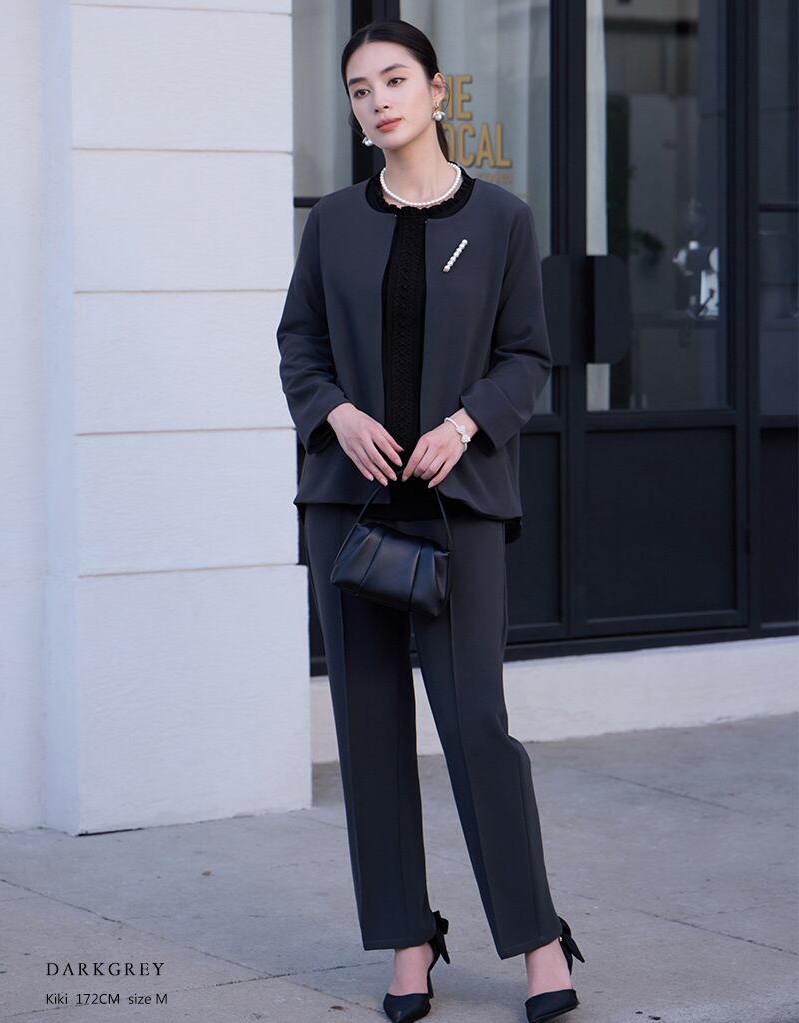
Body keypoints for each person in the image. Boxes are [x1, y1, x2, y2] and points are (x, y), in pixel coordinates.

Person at [276, 18, 586, 1023]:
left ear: (437, 91)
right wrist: (336, 413)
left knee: (475, 726)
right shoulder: (332, 224)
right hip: (350, 504)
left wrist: (465, 424)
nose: (377, 101)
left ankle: (538, 939)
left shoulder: (501, 220)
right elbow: (298, 346)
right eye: (358, 90)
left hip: (459, 505)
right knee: (368, 732)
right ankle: (407, 941)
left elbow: (527, 355)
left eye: (394, 79)